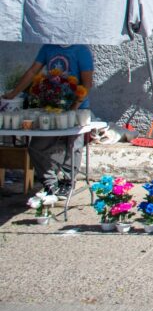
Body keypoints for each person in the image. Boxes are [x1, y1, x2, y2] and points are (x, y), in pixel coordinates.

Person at [3, 44, 94, 197]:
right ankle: (50, 182)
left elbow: (87, 83)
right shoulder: (48, 48)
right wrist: (13, 94)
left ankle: (67, 182)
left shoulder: (81, 50)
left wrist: (74, 105)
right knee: (37, 146)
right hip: (51, 109)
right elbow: (33, 71)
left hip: (78, 108)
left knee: (73, 145)